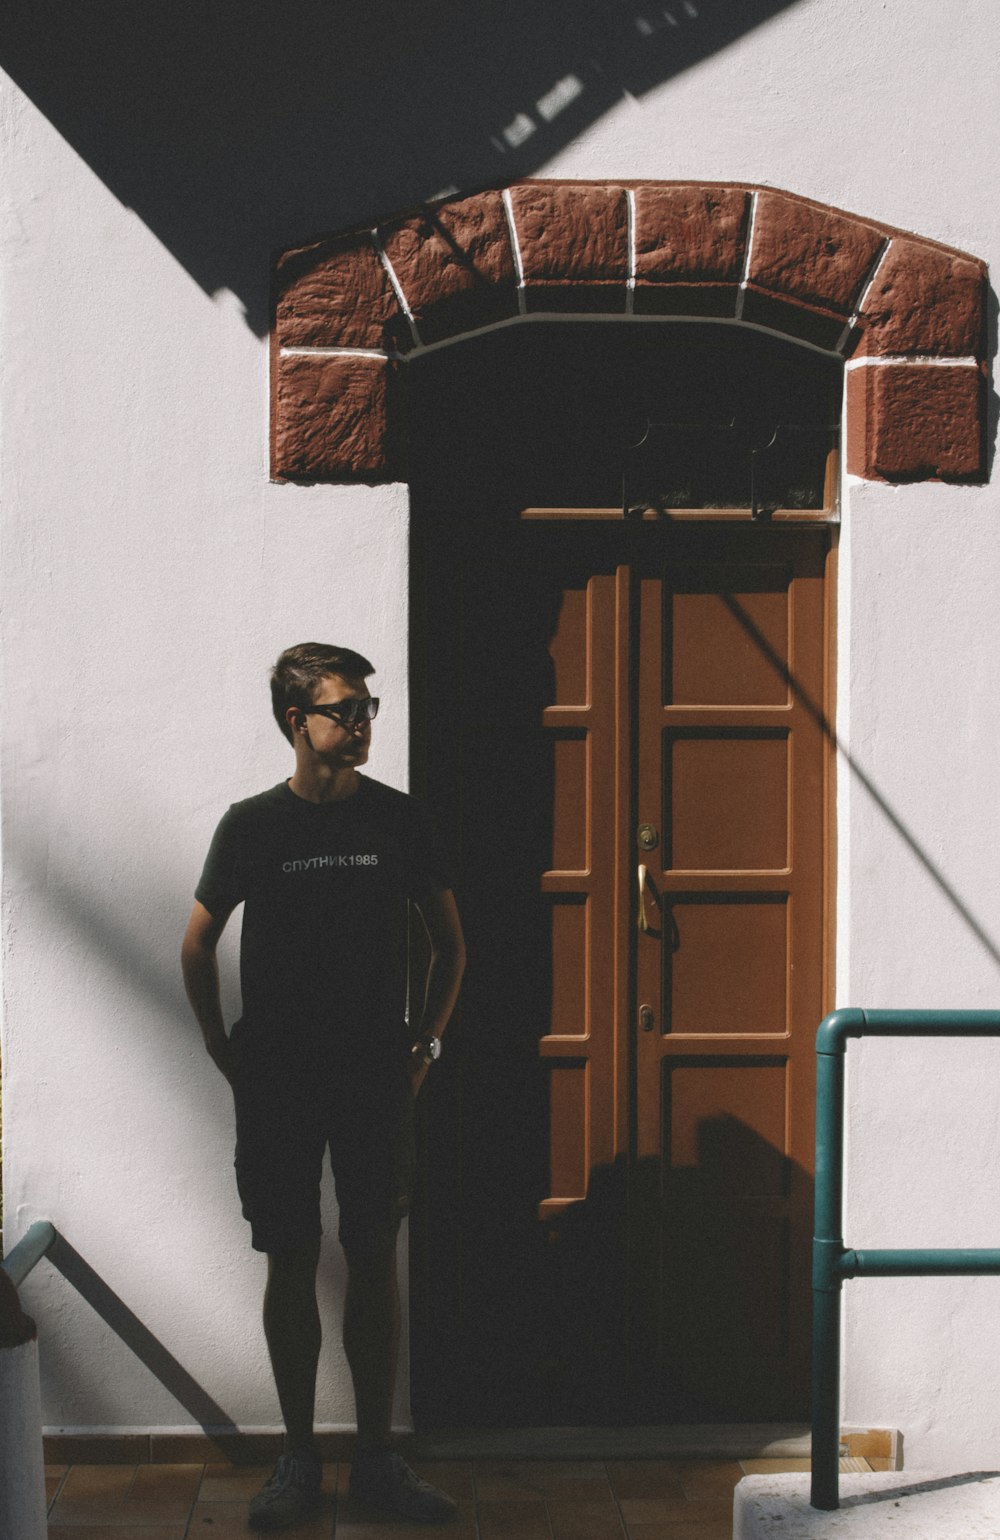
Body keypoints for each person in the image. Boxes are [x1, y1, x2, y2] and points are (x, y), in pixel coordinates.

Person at [181, 643, 465, 1531]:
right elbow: (196, 943)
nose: (362, 722)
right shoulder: (252, 826)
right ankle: (297, 1458)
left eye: (368, 707)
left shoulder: (401, 822)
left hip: (376, 1075)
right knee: (292, 1255)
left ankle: (377, 1460)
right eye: (344, 708)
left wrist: (423, 1045)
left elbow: (450, 946)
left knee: (374, 1256)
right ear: (295, 722)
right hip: (280, 1080)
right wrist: (224, 1052)